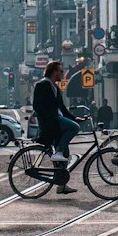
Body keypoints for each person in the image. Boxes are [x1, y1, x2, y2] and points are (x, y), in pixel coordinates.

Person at [32, 61, 79, 194]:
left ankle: (61, 185)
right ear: (53, 72)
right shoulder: (42, 85)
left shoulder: (55, 87)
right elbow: (37, 105)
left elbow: (62, 108)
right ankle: (57, 151)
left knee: (66, 154)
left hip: (56, 121)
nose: (62, 73)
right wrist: (48, 118)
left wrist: (74, 117)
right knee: (74, 128)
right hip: (50, 122)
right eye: (60, 71)